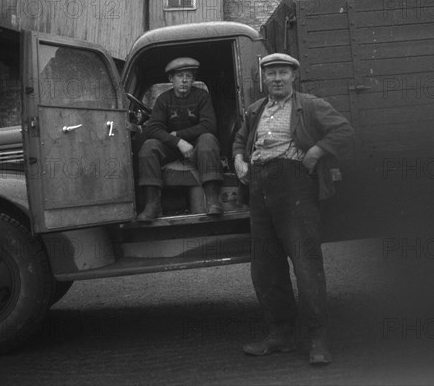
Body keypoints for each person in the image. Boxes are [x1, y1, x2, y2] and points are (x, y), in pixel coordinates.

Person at [233, 53, 354, 365]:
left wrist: (315, 152)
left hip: (295, 187)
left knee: (306, 264)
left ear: (293, 77)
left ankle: (318, 339)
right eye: (271, 73)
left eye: (282, 73)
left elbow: (342, 130)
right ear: (263, 78)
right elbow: (239, 140)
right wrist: (238, 159)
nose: (276, 78)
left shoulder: (310, 105)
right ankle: (281, 335)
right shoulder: (254, 110)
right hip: (260, 189)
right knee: (266, 268)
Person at [137, 57, 223, 221]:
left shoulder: (201, 96)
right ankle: (152, 205)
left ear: (193, 79)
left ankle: (212, 201)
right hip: (171, 148)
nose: (184, 80)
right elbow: (153, 128)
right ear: (171, 79)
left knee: (208, 139)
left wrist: (181, 135)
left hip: (198, 147)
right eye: (180, 76)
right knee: (149, 146)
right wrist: (178, 142)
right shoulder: (163, 99)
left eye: (189, 76)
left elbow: (209, 125)